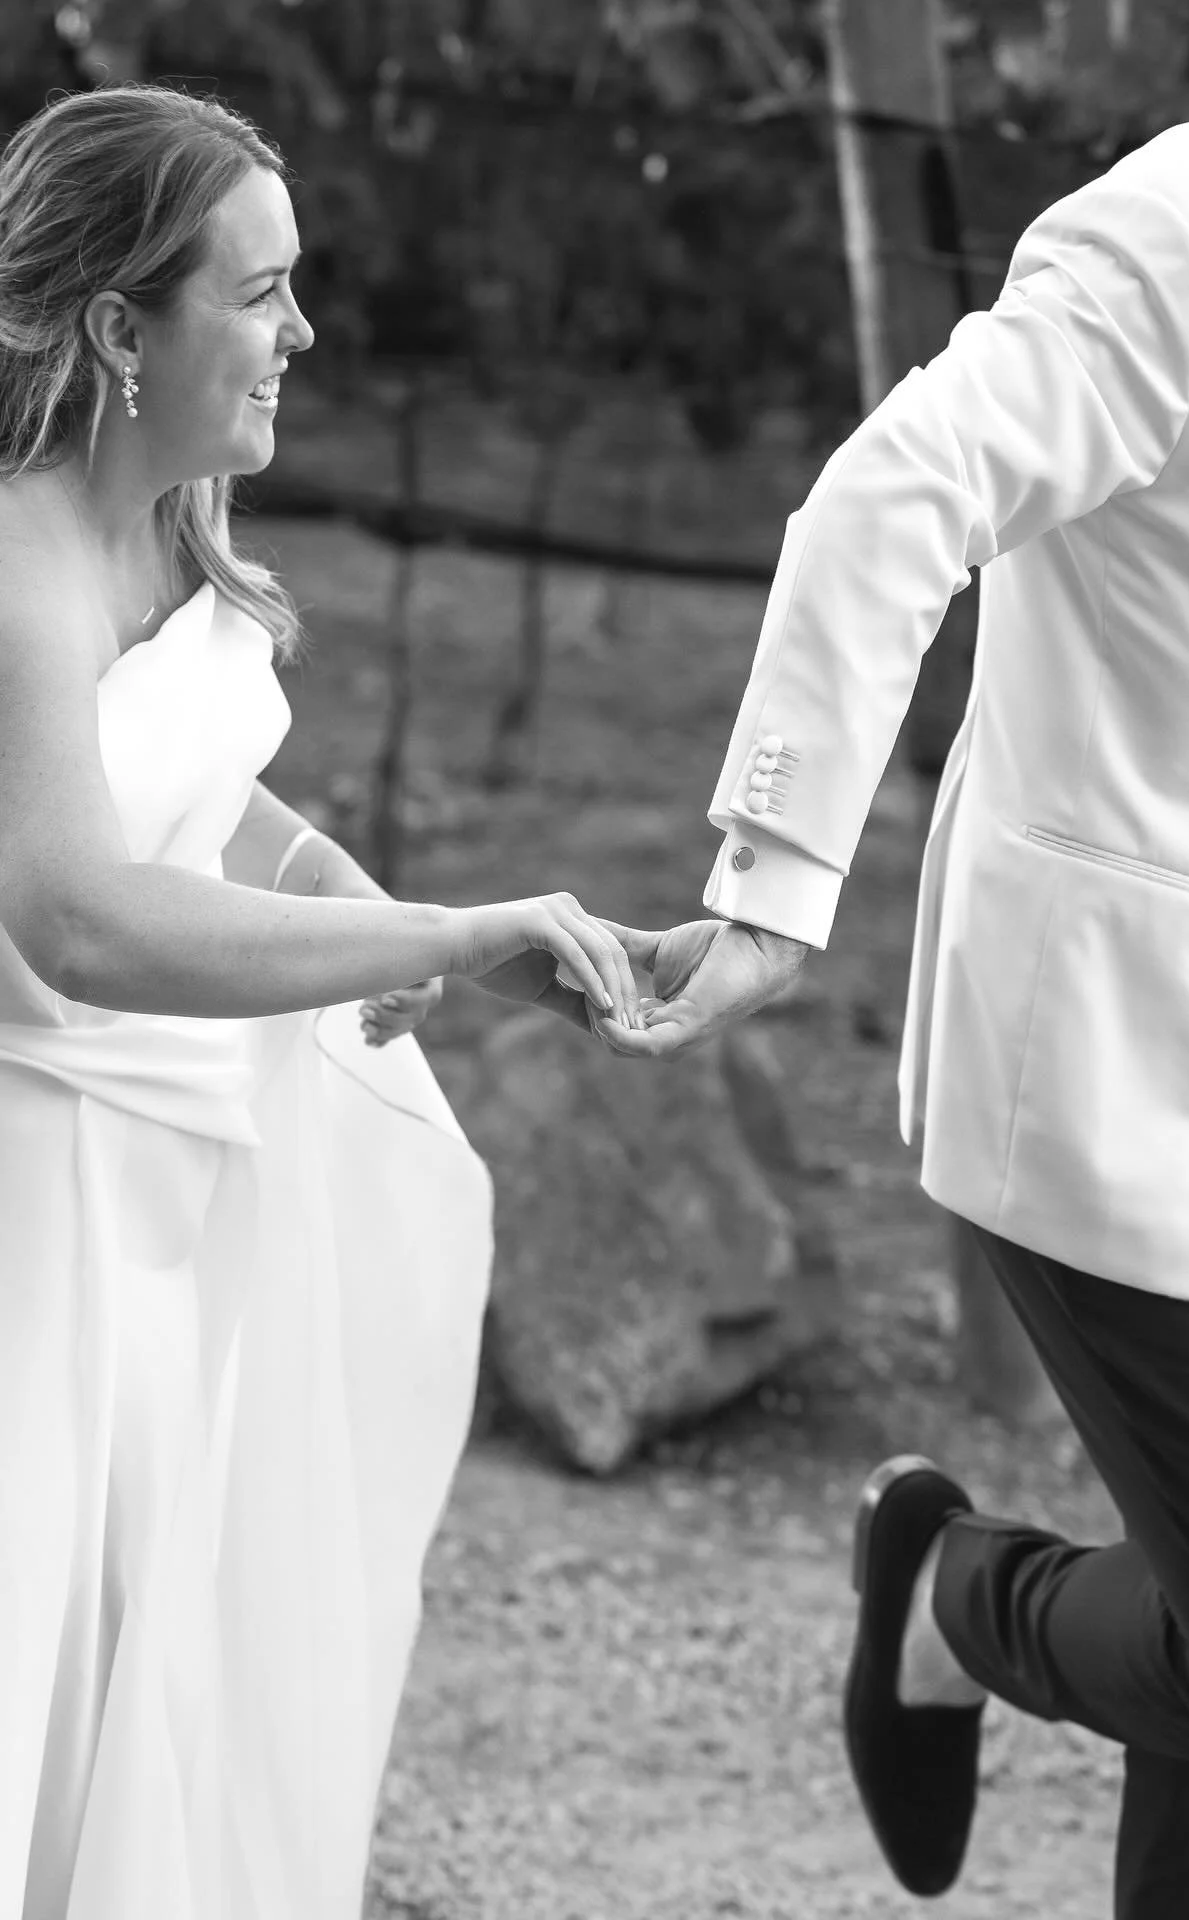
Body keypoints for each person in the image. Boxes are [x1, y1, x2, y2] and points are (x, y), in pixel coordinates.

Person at [600, 4, 1189, 1914]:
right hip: (1104, 1057)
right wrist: (773, 887)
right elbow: (888, 506)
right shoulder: (1175, 237)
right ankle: (952, 1601)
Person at [0, 84, 640, 1919]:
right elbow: (84, 918)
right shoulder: (16, 560)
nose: (302, 331)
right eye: (260, 294)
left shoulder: (169, 523)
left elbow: (202, 792)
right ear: (123, 325)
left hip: (169, 1218)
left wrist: (350, 891)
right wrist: (440, 940)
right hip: (34, 1227)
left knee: (142, 1671)